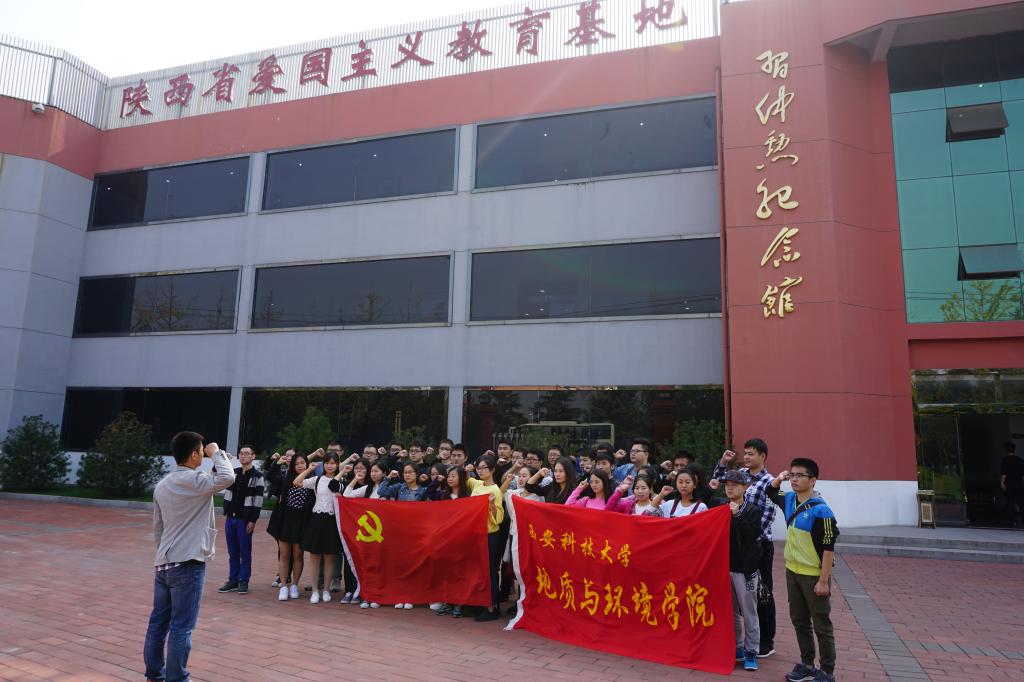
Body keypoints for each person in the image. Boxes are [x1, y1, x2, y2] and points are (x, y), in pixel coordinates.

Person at [144, 432, 235, 682]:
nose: (204, 454)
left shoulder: (162, 485)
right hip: (188, 563)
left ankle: (154, 674)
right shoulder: (196, 480)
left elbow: (158, 528)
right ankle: (177, 678)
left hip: (164, 563)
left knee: (158, 623)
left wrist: (164, 554)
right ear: (194, 454)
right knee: (181, 627)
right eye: (202, 451)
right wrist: (216, 452)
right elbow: (228, 477)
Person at [768, 458, 840, 682]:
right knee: (799, 621)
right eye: (792, 475)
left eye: (800, 475)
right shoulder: (789, 499)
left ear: (813, 480)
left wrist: (823, 581)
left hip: (813, 576)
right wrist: (779, 478)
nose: (794, 479)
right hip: (793, 572)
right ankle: (807, 665)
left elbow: (829, 549)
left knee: (821, 624)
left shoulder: (822, 511)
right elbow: (771, 492)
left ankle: (827, 671)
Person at [713, 438, 778, 658]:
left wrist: (749, 533)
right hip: (735, 548)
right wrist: (723, 462)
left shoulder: (769, 482)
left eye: (751, 454)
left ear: (763, 456)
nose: (747, 457)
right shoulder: (741, 474)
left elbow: (767, 517)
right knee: (737, 602)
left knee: (762, 594)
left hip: (759, 545)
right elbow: (718, 482)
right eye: (746, 453)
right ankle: (740, 645)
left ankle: (765, 642)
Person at [723, 469, 763, 672]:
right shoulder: (721, 507)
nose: (730, 488)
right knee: (730, 611)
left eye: (735, 485)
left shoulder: (753, 509)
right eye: (727, 485)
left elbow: (751, 535)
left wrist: (737, 514)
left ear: (744, 487)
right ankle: (737, 647)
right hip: (725, 567)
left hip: (746, 569)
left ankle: (751, 650)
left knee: (749, 611)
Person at [294, 452, 344, 605]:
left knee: (329, 557)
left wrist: (342, 472)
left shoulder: (342, 481)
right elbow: (296, 482)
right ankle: (315, 590)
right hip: (317, 520)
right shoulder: (317, 479)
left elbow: (335, 488)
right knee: (314, 556)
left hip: (332, 521)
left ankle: (326, 589)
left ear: (337, 464)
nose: (330, 466)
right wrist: (309, 469)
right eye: (327, 463)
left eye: (333, 463)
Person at [217, 446, 264, 596]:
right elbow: (216, 474)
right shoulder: (233, 472)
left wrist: (253, 520)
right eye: (241, 453)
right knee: (233, 551)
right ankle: (233, 580)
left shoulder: (257, 476)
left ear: (253, 456)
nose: (243, 456)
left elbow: (258, 500)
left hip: (245, 520)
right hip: (230, 517)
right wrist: (223, 460)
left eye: (247, 453)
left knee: (245, 551)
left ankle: (243, 580)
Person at [467, 455, 505, 621]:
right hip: (475, 533)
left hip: (489, 534)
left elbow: (498, 519)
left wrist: (491, 505)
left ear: (492, 470)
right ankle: (479, 603)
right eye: (478, 468)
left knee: (489, 570)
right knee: (477, 569)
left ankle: (492, 607)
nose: (480, 470)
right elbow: (465, 478)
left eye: (484, 468)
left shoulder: (495, 490)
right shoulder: (477, 483)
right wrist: (467, 470)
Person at [1001, 442, 1024, 528]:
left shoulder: (1005, 460)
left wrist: (1002, 482)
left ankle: (1012, 521)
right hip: (1018, 483)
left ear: (1006, 450)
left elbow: (1004, 473)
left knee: (1010, 503)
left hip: (1009, 484)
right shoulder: (1020, 460)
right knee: (1021, 503)